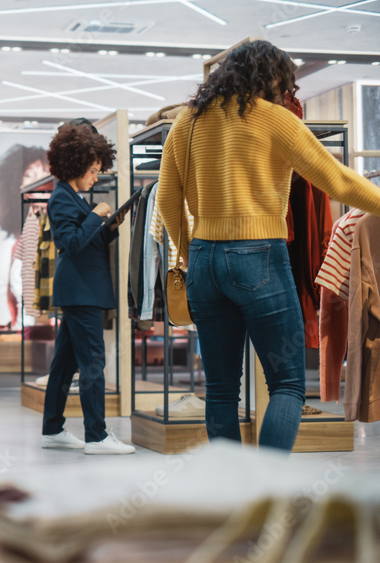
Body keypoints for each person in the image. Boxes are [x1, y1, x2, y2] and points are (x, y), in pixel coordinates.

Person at [157, 39, 380, 451]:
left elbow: (168, 200)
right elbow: (338, 181)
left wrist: (193, 253)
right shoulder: (274, 119)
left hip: (204, 259)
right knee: (287, 384)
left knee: (222, 391)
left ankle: (234, 493)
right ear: (273, 77)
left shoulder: (186, 122)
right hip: (259, 257)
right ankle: (265, 487)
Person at [40, 121, 135, 455]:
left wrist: (110, 227)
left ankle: (52, 429)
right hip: (82, 291)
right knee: (93, 362)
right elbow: (71, 243)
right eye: (93, 171)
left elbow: (87, 240)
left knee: (65, 364)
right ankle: (97, 435)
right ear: (77, 165)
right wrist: (96, 215)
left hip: (82, 290)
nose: (96, 177)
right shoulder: (62, 198)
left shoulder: (71, 196)